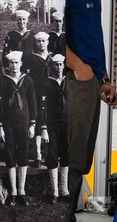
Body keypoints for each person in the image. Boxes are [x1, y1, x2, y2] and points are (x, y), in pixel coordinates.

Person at [64, 0, 117, 221]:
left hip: (90, 80)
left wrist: (103, 77)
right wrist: (78, 67)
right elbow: (50, 29)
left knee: (82, 157)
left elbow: (90, 36)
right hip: (74, 81)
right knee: (73, 156)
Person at [0, 50, 37, 206]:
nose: (14, 66)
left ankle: (22, 191)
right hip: (8, 124)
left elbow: (33, 103)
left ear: (21, 64)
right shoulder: (3, 81)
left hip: (24, 123)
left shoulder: (28, 81)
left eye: (16, 63)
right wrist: (0, 126)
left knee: (23, 155)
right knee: (10, 155)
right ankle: (13, 191)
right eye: (11, 63)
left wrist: (33, 124)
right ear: (8, 65)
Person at [41, 54, 71, 204]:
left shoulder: (69, 81)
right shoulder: (46, 83)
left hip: (66, 123)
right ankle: (54, 191)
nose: (58, 67)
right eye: (56, 65)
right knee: (52, 155)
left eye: (60, 65)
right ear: (51, 66)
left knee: (65, 155)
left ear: (63, 66)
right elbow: (43, 107)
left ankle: (64, 190)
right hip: (52, 124)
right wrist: (44, 127)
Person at [22, 31, 52, 168]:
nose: (41, 44)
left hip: (51, 93)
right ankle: (38, 154)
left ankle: (49, 153)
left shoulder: (53, 58)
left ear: (47, 42)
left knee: (50, 121)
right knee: (38, 121)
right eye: (39, 41)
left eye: (43, 41)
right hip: (37, 93)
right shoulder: (31, 59)